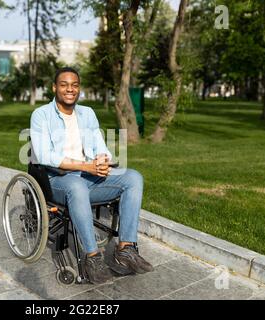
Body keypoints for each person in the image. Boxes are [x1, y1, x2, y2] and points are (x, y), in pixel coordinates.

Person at [30, 67, 154, 284]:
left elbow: (100, 146)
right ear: (54, 87)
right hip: (57, 180)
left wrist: (102, 161)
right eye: (64, 84)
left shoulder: (87, 113)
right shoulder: (41, 115)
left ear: (79, 88)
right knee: (76, 186)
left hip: (88, 177)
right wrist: (86, 167)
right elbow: (44, 155)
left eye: (75, 85)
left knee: (133, 177)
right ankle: (92, 257)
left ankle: (125, 249)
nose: (70, 89)